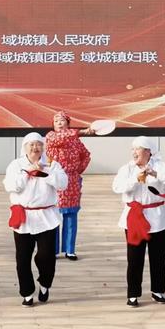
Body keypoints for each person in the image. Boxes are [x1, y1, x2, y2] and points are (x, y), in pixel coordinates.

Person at [113, 136, 165, 307]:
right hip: (134, 218)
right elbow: (117, 187)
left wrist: (156, 174)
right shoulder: (127, 169)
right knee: (134, 258)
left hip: (157, 217)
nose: (134, 152)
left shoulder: (160, 166)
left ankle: (157, 290)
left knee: (158, 257)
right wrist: (135, 179)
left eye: (138, 148)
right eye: (133, 149)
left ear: (148, 151)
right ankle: (133, 293)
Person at [4, 132, 68, 307]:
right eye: (31, 144)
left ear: (43, 147)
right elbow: (11, 186)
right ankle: (27, 293)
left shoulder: (52, 164)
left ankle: (45, 284)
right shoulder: (16, 165)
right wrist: (28, 172)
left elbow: (63, 184)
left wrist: (45, 172)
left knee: (46, 256)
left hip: (47, 216)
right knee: (22, 258)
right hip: (23, 217)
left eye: (38, 144)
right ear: (24, 147)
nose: (35, 148)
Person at [45, 111, 93, 260]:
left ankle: (70, 250)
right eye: (56, 121)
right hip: (55, 179)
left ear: (68, 123)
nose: (59, 123)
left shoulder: (75, 140)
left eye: (62, 120)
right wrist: (82, 132)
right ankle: (52, 249)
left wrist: (77, 170)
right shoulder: (50, 136)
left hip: (72, 181)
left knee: (71, 216)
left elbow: (86, 155)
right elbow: (61, 138)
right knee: (53, 215)